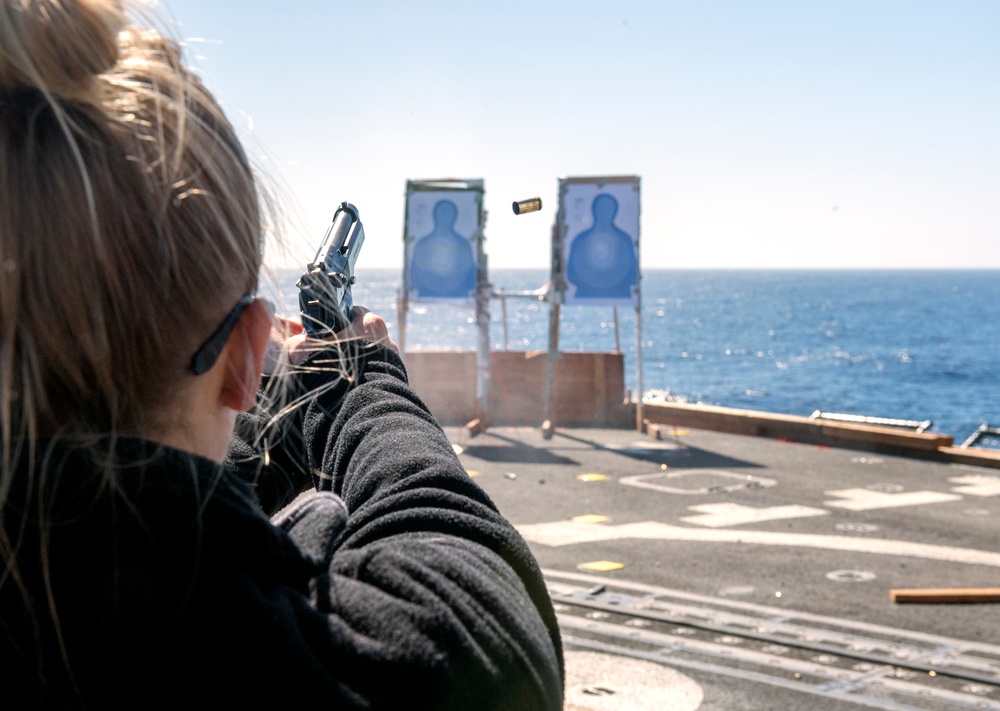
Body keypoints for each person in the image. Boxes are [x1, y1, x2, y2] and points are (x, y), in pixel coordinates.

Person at [0, 1, 564, 708]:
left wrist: (268, 402)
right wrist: (353, 378)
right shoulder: (238, 653)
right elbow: (483, 620)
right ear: (243, 358)